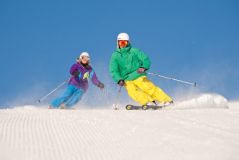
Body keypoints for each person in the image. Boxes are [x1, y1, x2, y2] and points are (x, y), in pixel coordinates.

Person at [109, 33, 173, 106]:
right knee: (132, 92)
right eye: (121, 42)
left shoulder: (134, 51)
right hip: (126, 79)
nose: (123, 45)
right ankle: (148, 102)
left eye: (125, 42)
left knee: (147, 87)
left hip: (137, 73)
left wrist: (144, 67)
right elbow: (113, 69)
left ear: (128, 42)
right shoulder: (115, 56)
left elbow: (145, 59)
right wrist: (119, 79)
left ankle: (166, 100)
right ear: (118, 43)